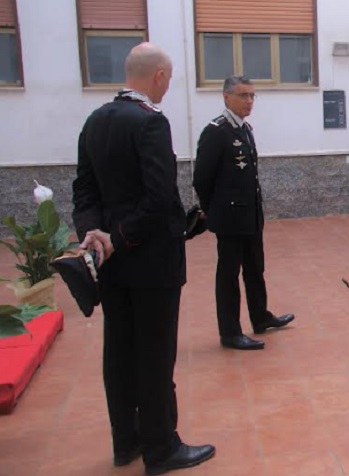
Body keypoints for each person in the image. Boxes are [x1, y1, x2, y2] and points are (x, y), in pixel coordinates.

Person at [73, 42, 215, 474]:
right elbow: (158, 198)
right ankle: (161, 447)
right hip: (150, 261)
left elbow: (84, 191)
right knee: (155, 354)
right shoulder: (151, 124)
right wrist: (118, 236)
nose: (169, 86)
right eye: (169, 79)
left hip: (111, 264)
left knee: (119, 351)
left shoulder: (94, 121)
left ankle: (126, 441)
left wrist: (95, 235)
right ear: (157, 76)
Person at [193, 76, 295, 351]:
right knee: (228, 276)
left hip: (250, 215)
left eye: (252, 96)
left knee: (255, 268)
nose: (249, 101)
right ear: (226, 97)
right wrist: (211, 210)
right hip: (229, 219)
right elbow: (202, 177)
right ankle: (230, 332)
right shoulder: (217, 131)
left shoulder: (245, 128)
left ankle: (260, 317)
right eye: (243, 95)